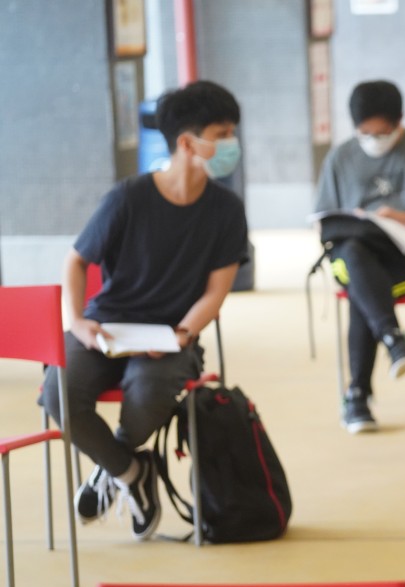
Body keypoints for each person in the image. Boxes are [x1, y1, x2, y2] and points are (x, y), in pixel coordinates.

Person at [41, 81, 249, 541]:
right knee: (59, 393)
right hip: (105, 326)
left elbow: (216, 291)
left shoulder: (226, 211)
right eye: (223, 132)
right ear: (187, 142)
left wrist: (182, 333)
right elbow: (76, 261)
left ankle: (111, 465)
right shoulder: (127, 198)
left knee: (146, 396)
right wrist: (77, 322)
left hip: (172, 335)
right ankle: (133, 471)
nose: (231, 143)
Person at [314, 80, 405, 433]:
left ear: (400, 121)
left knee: (361, 288)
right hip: (354, 256)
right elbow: (324, 223)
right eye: (366, 133)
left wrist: (401, 217)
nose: (374, 140)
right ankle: (392, 341)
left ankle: (358, 395)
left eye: (383, 133)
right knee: (353, 254)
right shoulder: (341, 157)